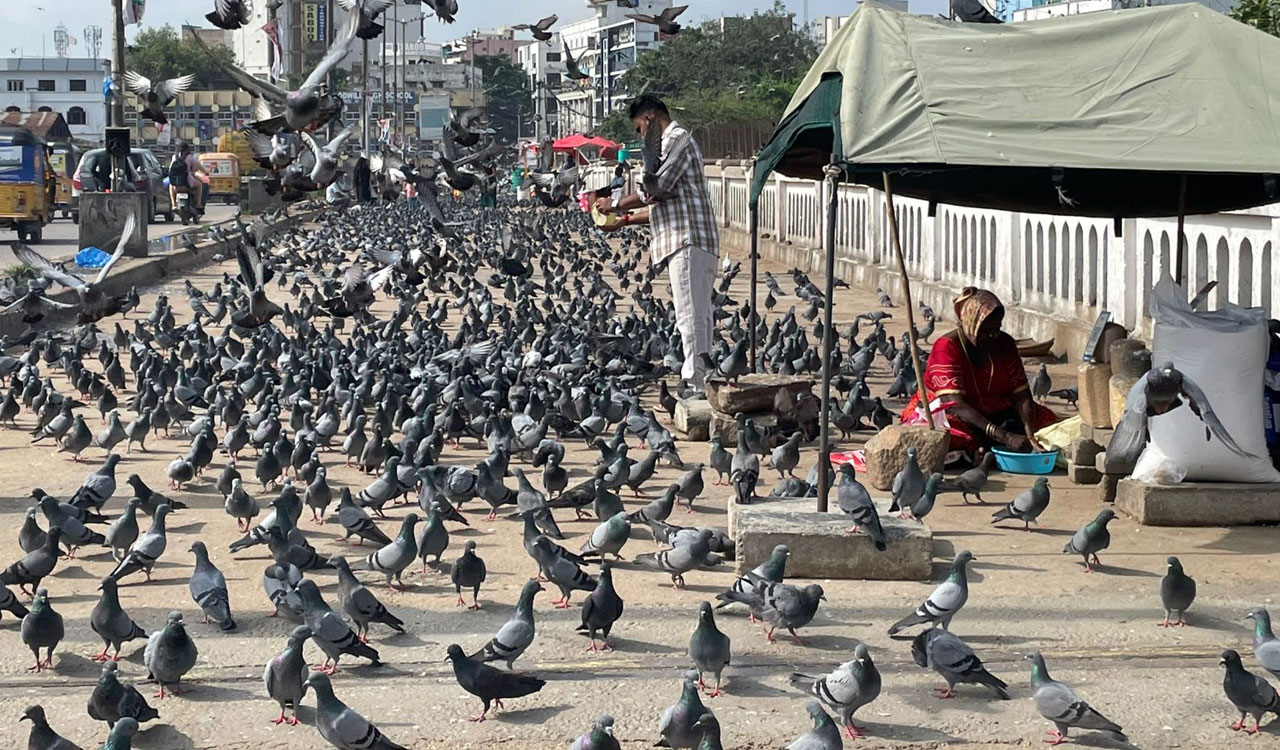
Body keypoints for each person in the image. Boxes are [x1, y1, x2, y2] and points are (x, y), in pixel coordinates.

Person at [595, 94, 719, 397]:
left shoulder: (676, 140)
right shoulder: (672, 145)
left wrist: (612, 204)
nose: (640, 136)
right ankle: (703, 378)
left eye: (639, 128)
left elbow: (657, 187)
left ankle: (695, 382)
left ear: (649, 119)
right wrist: (624, 218)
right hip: (692, 239)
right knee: (699, 315)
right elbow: (662, 203)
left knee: (690, 316)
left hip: (687, 240)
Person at [901, 287, 1058, 458]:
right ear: (971, 323)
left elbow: (1021, 394)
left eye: (997, 328)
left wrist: (1029, 435)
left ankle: (986, 447)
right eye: (986, 330)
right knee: (948, 438)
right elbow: (956, 405)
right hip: (951, 413)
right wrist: (1005, 437)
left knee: (1046, 424)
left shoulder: (1004, 343)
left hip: (995, 409)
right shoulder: (946, 348)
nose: (993, 335)